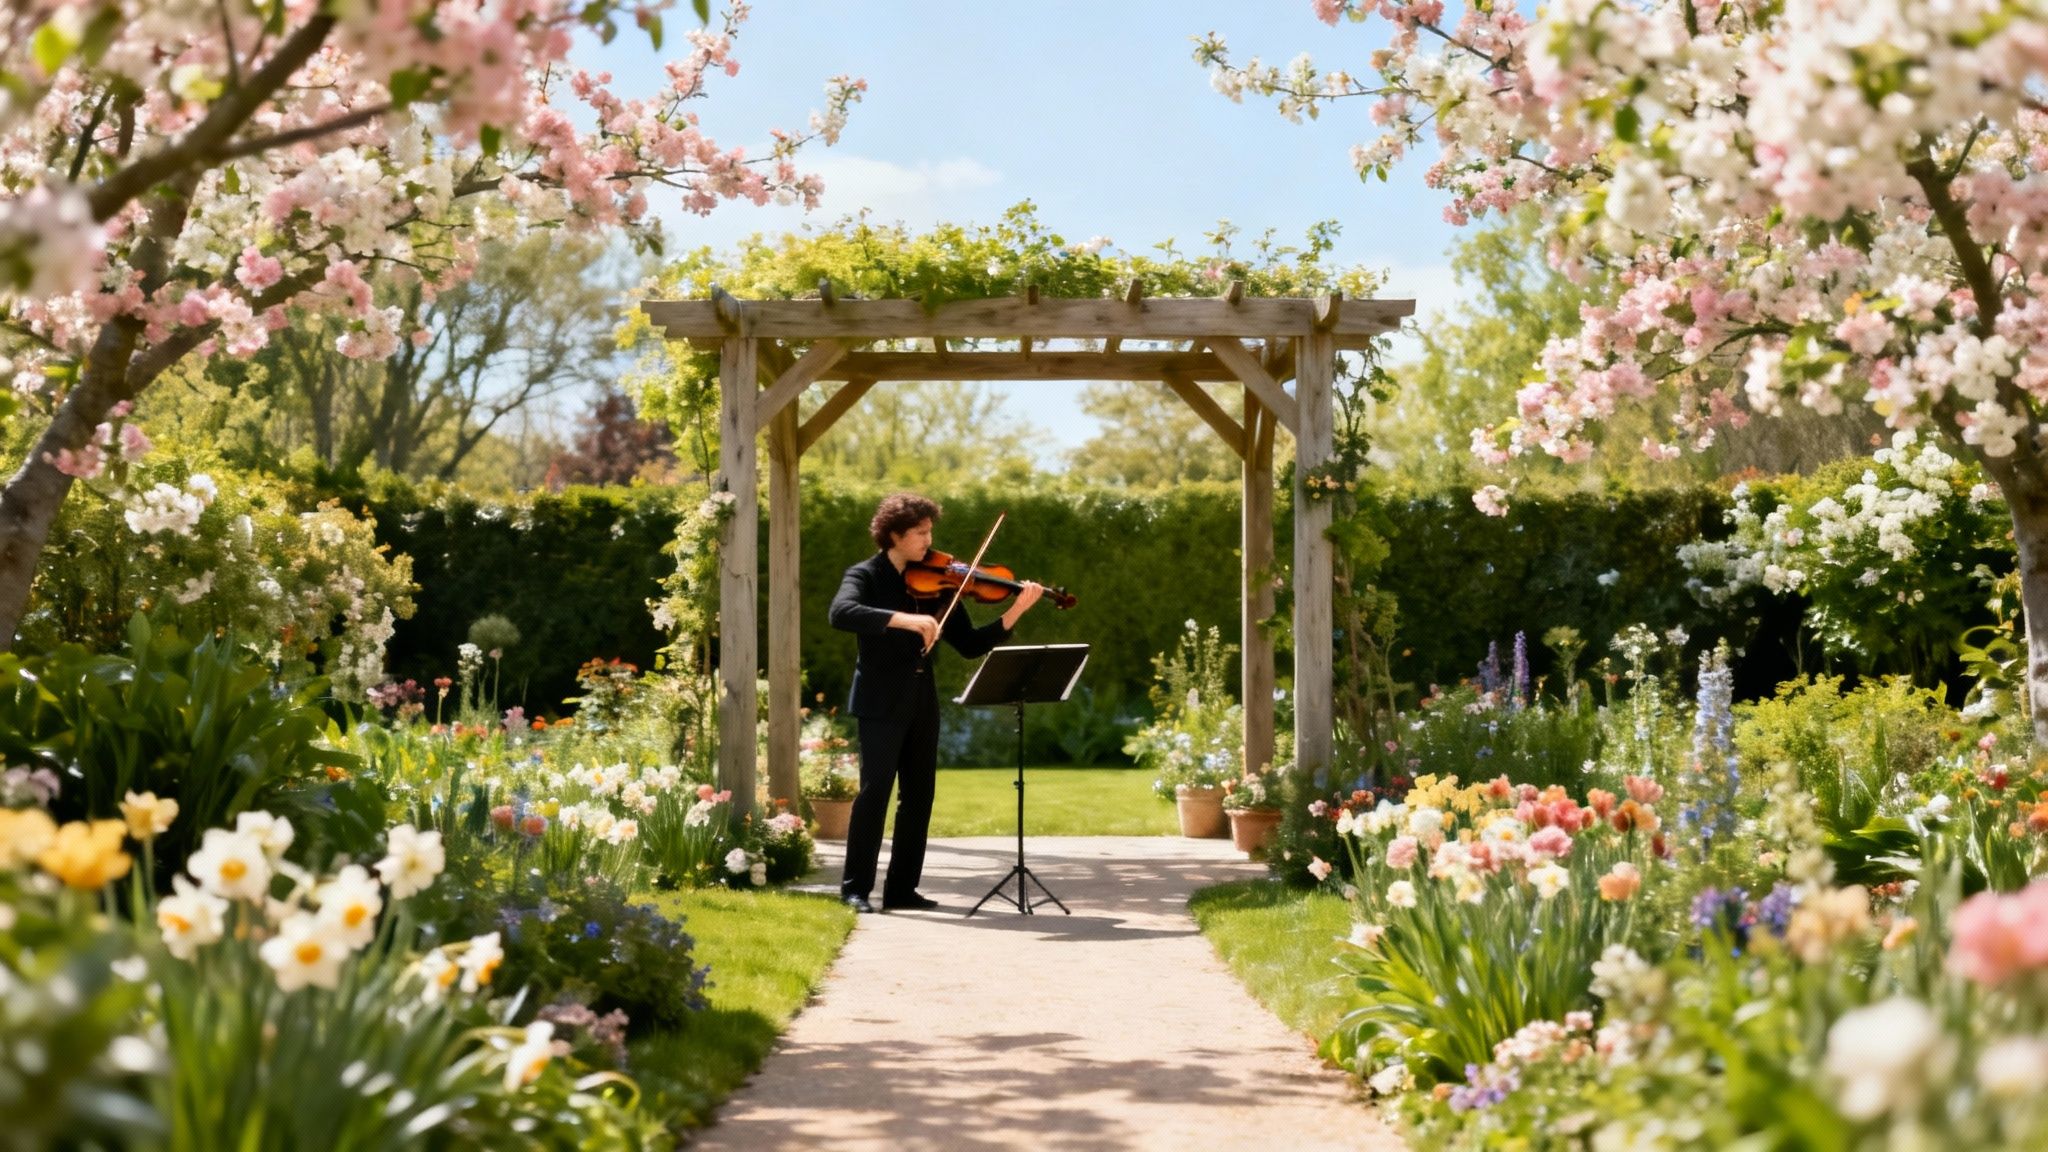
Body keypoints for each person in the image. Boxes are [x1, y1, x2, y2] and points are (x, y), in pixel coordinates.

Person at [827, 493, 1045, 913]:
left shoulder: (941, 582)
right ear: (895, 535)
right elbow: (841, 612)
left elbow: (969, 644)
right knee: (874, 793)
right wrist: (906, 619)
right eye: (920, 533)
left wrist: (1016, 609)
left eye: (930, 531)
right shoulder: (866, 574)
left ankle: (902, 889)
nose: (930, 541)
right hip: (879, 698)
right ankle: (855, 889)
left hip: (921, 698)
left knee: (919, 795)